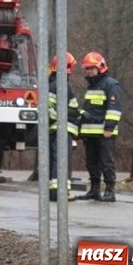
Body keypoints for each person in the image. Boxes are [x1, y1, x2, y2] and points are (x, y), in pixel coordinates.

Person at [79, 51, 122, 202]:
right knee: (91, 163)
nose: (89, 71)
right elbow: (88, 111)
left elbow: (114, 109)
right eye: (87, 69)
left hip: (104, 133)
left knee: (106, 162)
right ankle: (95, 189)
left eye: (91, 68)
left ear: (100, 67)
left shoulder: (110, 85)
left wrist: (109, 128)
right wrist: (81, 130)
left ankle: (110, 190)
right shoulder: (91, 87)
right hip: (90, 133)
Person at [47, 52, 80, 202]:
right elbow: (67, 110)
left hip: (53, 130)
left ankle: (53, 191)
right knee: (62, 160)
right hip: (62, 129)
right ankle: (61, 192)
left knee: (54, 160)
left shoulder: (50, 85)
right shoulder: (62, 86)